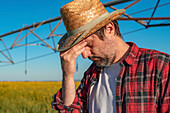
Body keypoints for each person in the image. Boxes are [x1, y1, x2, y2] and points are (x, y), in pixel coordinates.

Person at [51, 0, 170, 112]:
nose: (84, 55)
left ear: (109, 29)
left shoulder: (160, 66)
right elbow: (71, 110)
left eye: (88, 44)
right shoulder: (91, 74)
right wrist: (68, 75)